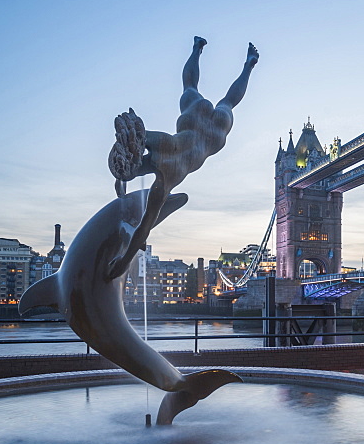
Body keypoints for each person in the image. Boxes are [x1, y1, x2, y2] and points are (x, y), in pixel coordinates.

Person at [107, 37, 259, 279]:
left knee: (228, 102)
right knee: (190, 87)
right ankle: (202, 50)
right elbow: (130, 147)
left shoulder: (167, 180)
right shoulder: (161, 143)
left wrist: (124, 263)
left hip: (213, 135)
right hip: (197, 126)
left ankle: (247, 66)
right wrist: (120, 182)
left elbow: (145, 227)